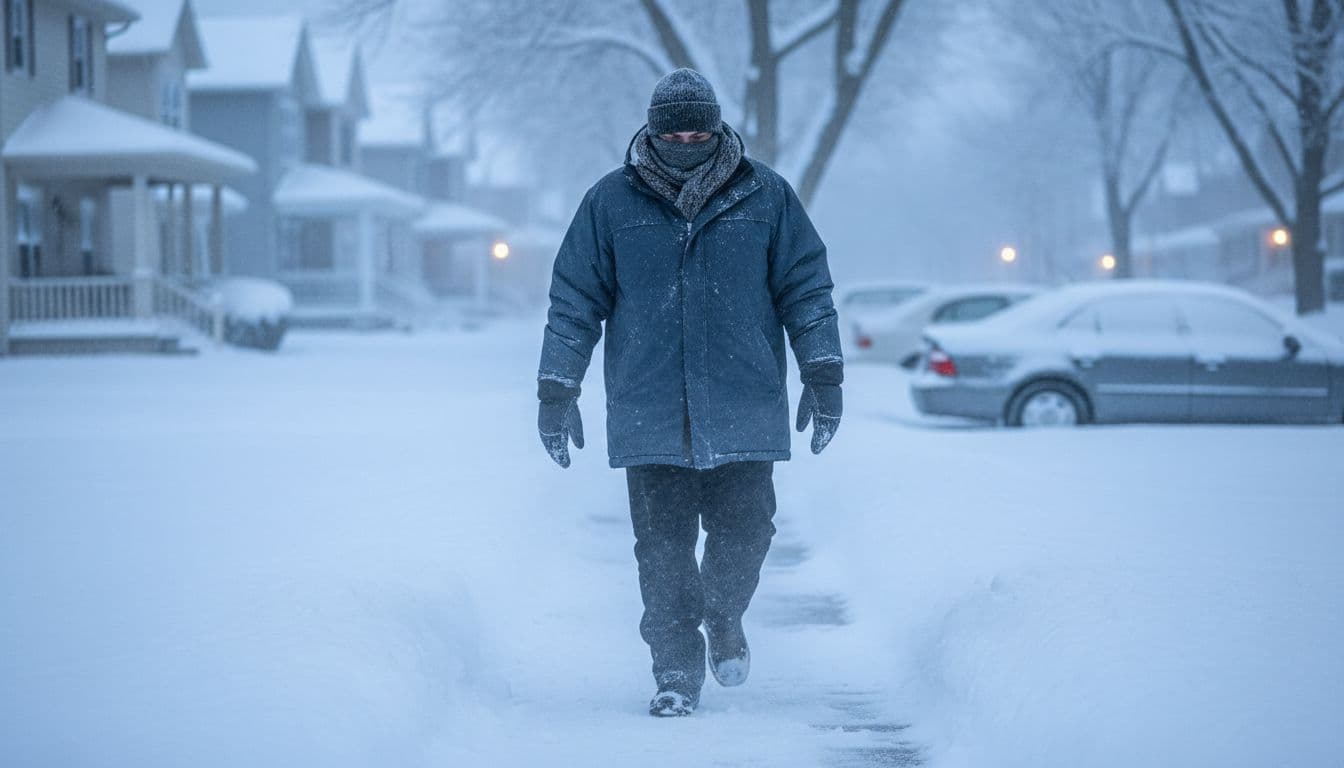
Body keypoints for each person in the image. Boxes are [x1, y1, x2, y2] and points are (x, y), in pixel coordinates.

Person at [536, 68, 843, 717]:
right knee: (663, 551)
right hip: (649, 411)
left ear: (715, 124)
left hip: (743, 405)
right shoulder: (610, 203)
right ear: (652, 128)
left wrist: (823, 371)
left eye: (696, 127)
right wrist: (557, 386)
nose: (685, 138)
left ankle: (724, 616)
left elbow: (806, 287)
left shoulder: (765, 195)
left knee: (748, 532)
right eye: (672, 128)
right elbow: (573, 302)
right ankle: (675, 671)